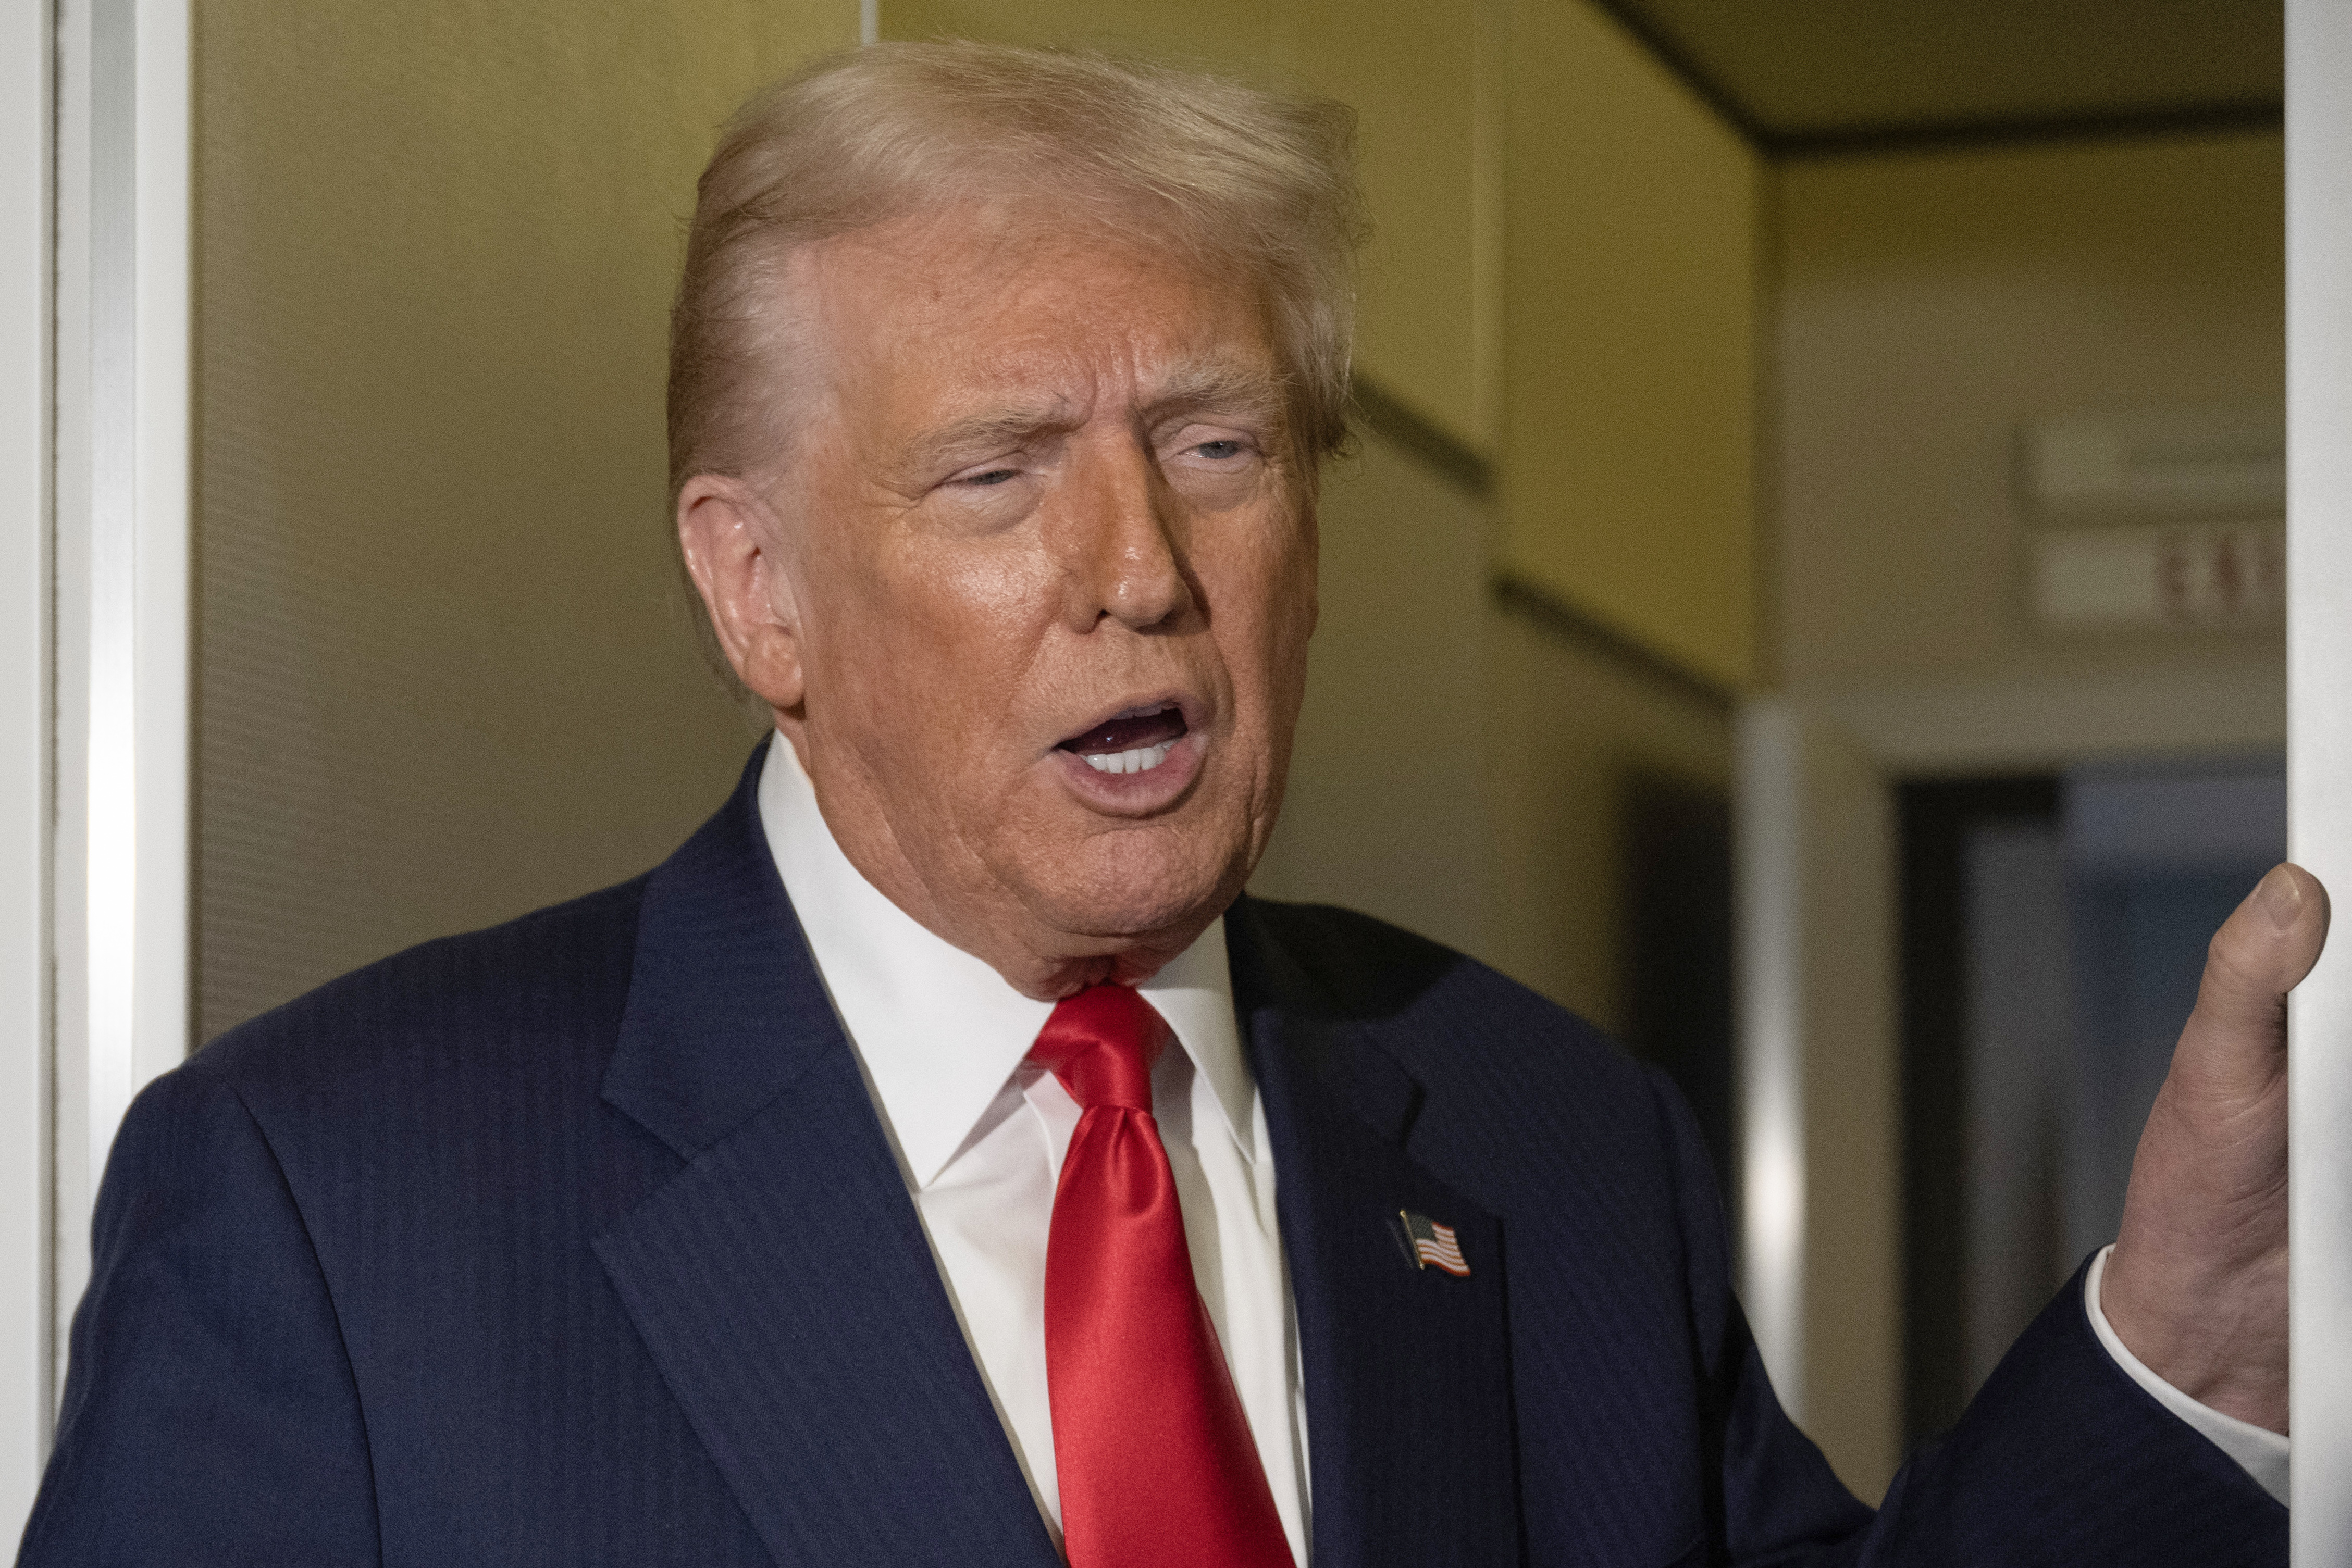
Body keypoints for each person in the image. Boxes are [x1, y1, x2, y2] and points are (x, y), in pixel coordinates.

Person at [18, 41, 2325, 1568]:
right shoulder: (337, 1206)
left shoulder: (1540, 1141)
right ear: (757, 588)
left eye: (1214, 450)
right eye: (998, 473)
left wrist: (2191, 1349)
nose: (1138, 573)